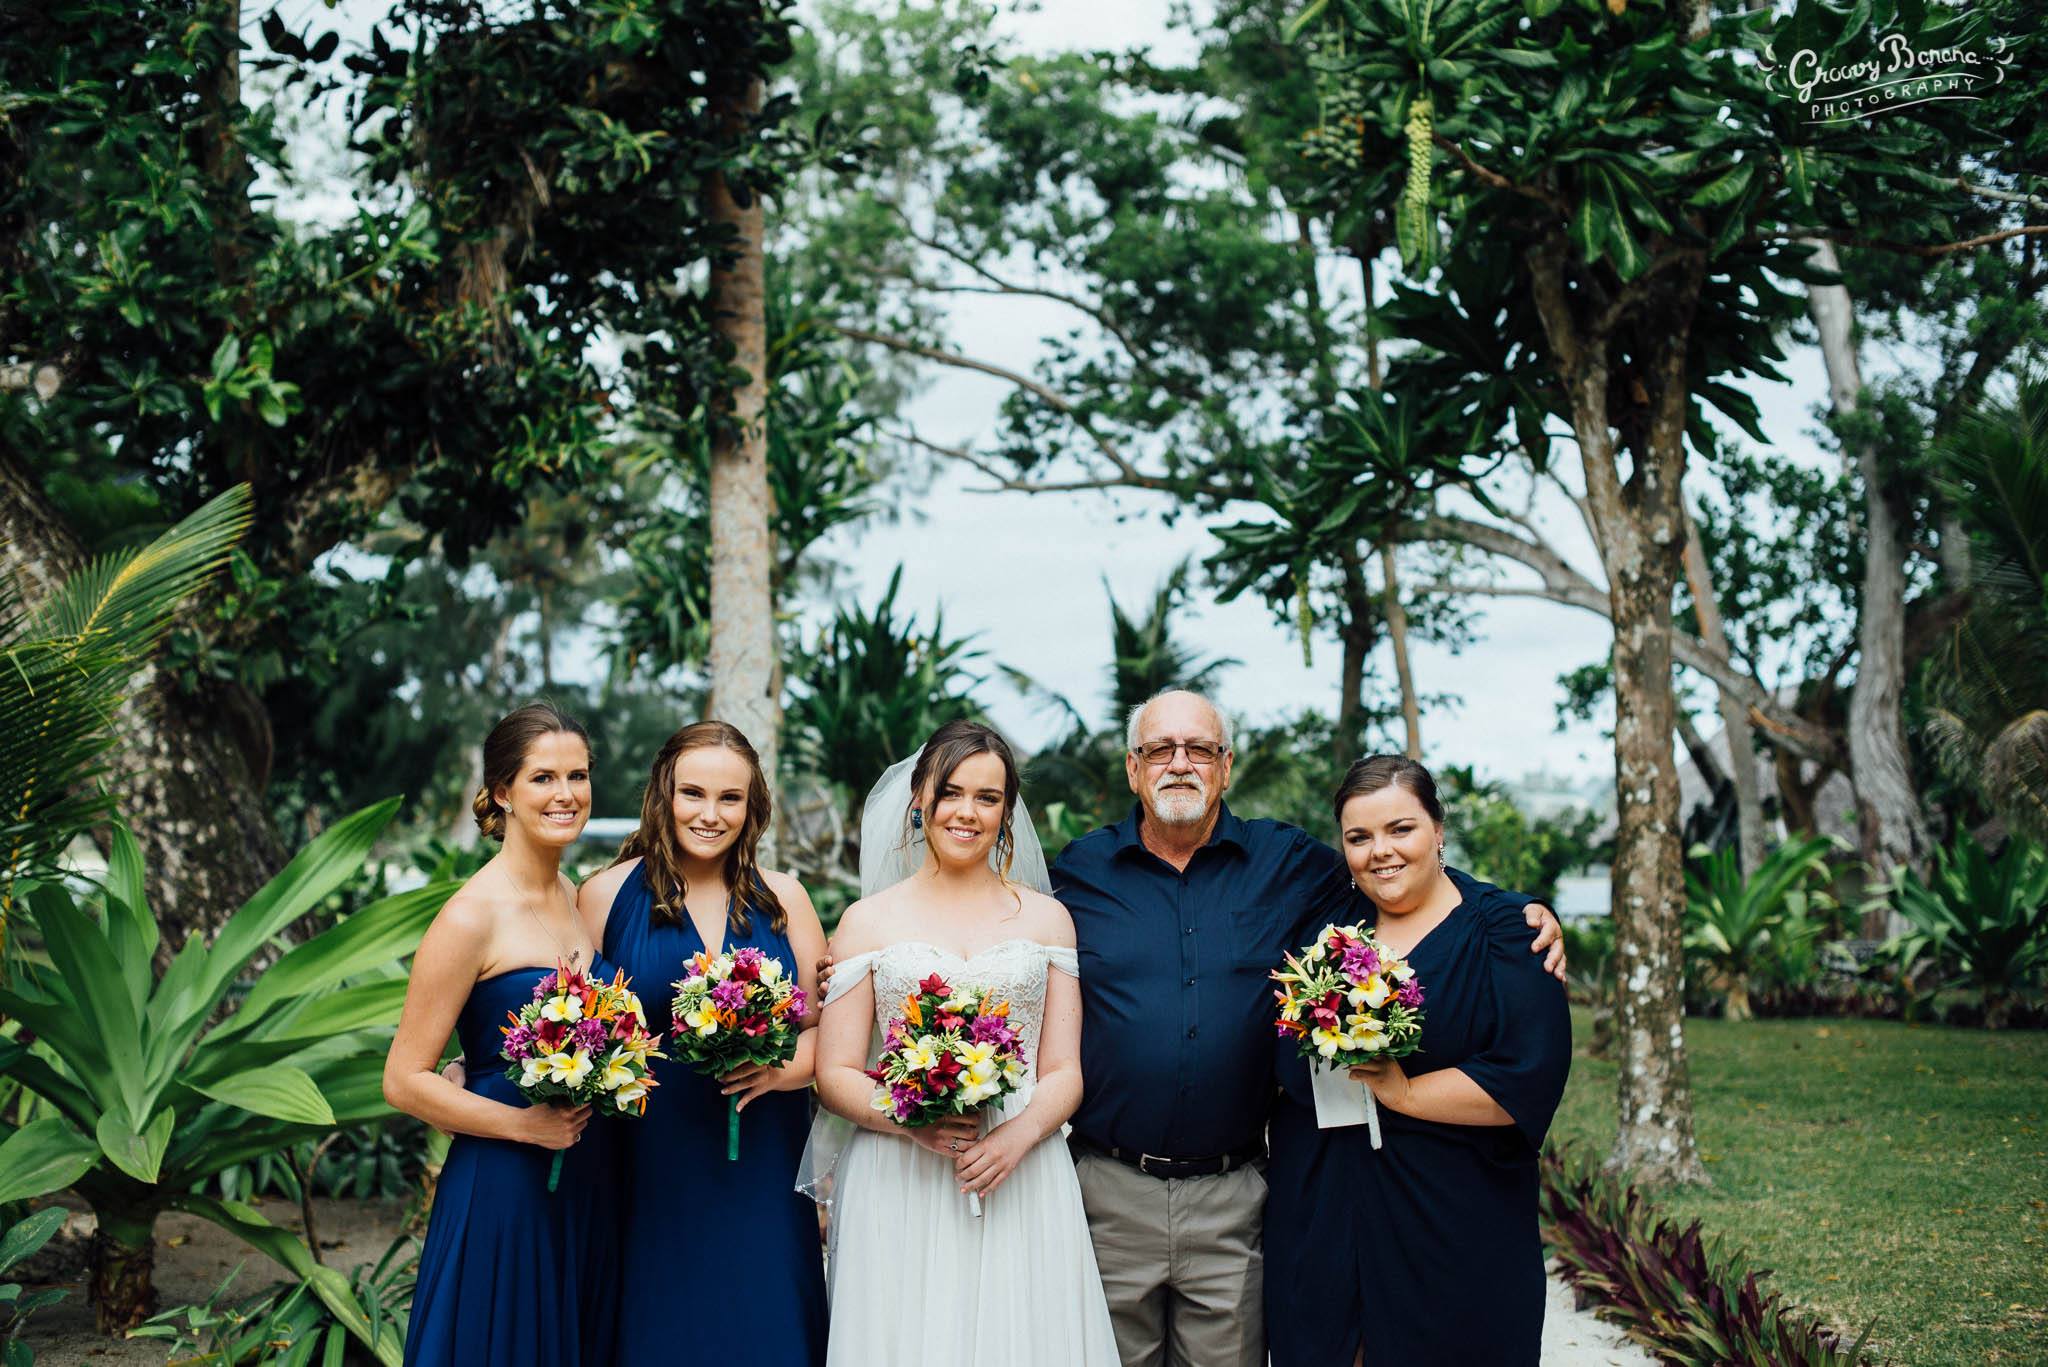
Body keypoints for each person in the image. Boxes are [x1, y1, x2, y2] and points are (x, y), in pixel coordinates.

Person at [1049, 689, 1565, 1367]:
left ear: (1226, 766)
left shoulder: (1291, 864)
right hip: (1155, 1191)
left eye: (1199, 748)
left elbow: (1406, 878)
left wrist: (1523, 910)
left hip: (1272, 1199)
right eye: (1160, 749)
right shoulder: (1079, 871)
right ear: (1132, 766)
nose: (1179, 763)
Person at [805, 720, 1119, 1366]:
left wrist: (1016, 1137)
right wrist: (911, 1123)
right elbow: (834, 1073)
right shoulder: (866, 921)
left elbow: (1064, 1069)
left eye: (987, 797)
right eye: (951, 792)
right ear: (919, 796)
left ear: (1007, 811)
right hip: (899, 1170)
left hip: (1020, 1167)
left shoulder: (1047, 918)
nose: (967, 812)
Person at [1263, 755, 1573, 1365]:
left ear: (1437, 829)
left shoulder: (1509, 932)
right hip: (1323, 1205)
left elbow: (1527, 1077)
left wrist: (1404, 1093)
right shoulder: (1323, 929)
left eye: (1400, 829)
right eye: (1359, 837)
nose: (1380, 851)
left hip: (1452, 1215)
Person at [576, 721, 829, 1367]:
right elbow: (572, 1018)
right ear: (664, 793)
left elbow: (826, 1032)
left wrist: (779, 1070)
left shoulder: (786, 899)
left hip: (765, 1163)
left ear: (752, 806)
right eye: (693, 793)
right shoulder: (604, 895)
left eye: (729, 798)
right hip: (650, 1163)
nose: (710, 814)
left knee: (768, 1327)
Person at [385, 702, 619, 1367]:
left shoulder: (573, 894)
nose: (566, 794)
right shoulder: (470, 917)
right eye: (543, 777)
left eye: (577, 775)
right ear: (502, 792)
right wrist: (523, 1126)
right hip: (505, 1182)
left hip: (584, 1176)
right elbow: (403, 1079)